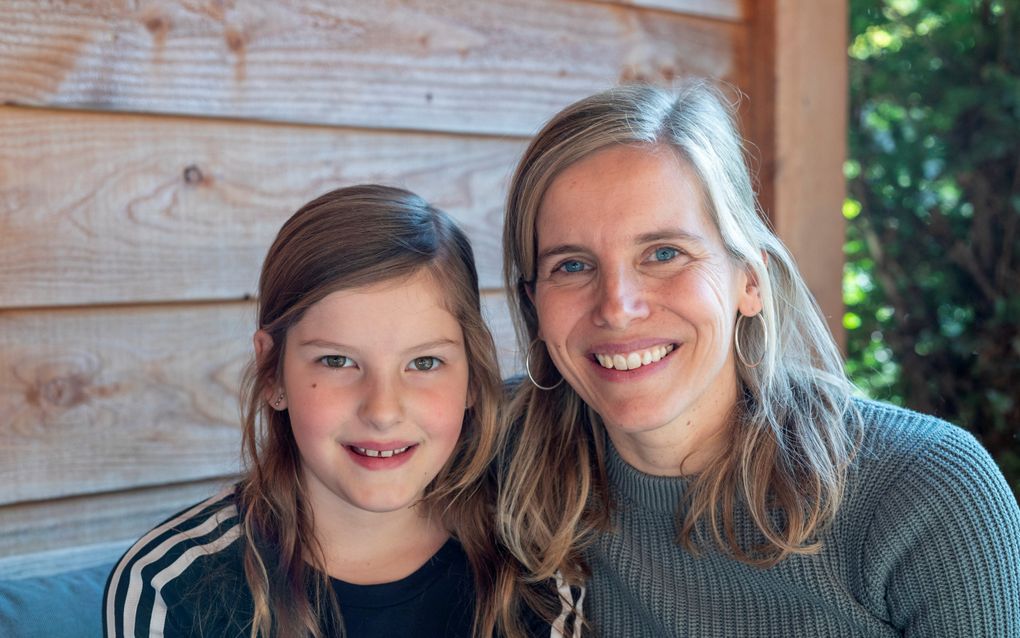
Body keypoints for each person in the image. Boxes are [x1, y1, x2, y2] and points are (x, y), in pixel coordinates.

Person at [498, 82, 1020, 637]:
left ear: (751, 279)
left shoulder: (921, 494)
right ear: (535, 304)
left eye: (664, 253)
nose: (618, 309)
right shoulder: (502, 456)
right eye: (572, 266)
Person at [104, 185, 573, 637]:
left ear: (472, 375)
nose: (383, 410)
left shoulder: (537, 569)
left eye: (424, 362)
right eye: (337, 361)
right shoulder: (172, 586)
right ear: (272, 373)